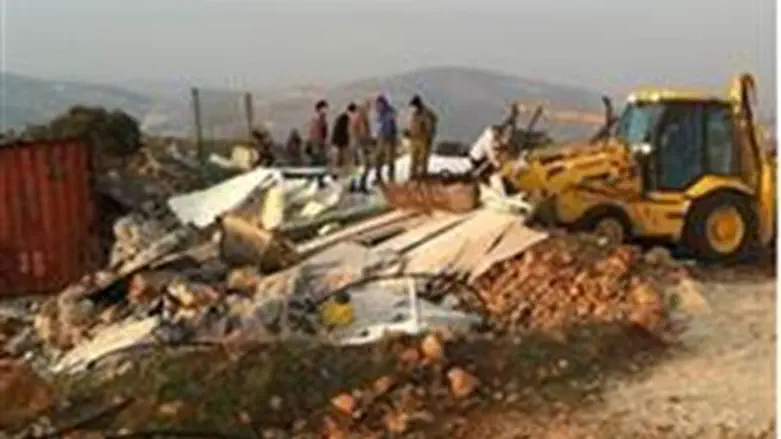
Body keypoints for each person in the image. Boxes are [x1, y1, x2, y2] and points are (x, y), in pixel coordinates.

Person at [405, 95, 438, 179]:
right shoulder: (414, 113)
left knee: (423, 160)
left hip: (423, 139)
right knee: (413, 160)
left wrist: (429, 137)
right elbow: (411, 125)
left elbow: (431, 126)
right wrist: (408, 132)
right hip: (414, 139)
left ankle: (422, 177)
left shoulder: (426, 113)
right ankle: (413, 177)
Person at [374, 95, 398, 183]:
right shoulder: (379, 114)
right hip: (381, 137)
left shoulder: (389, 113)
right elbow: (377, 126)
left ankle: (391, 178)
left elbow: (390, 126)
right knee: (378, 158)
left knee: (390, 159)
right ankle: (378, 177)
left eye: (379, 104)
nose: (378, 106)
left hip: (389, 138)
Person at [349, 100, 373, 191]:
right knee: (365, 165)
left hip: (357, 145)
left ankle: (354, 183)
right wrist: (367, 144)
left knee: (358, 166)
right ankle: (360, 184)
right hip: (360, 145)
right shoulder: (361, 118)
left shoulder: (357, 117)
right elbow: (362, 133)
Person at [330, 105, 352, 178]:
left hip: (337, 142)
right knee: (339, 159)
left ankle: (336, 174)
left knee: (336, 160)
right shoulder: (345, 120)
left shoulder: (341, 119)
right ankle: (340, 174)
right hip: (340, 143)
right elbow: (344, 133)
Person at [306, 100, 329, 166]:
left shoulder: (322, 120)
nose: (325, 111)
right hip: (317, 147)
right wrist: (321, 144)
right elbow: (315, 134)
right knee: (318, 164)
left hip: (319, 147)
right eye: (324, 109)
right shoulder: (317, 120)